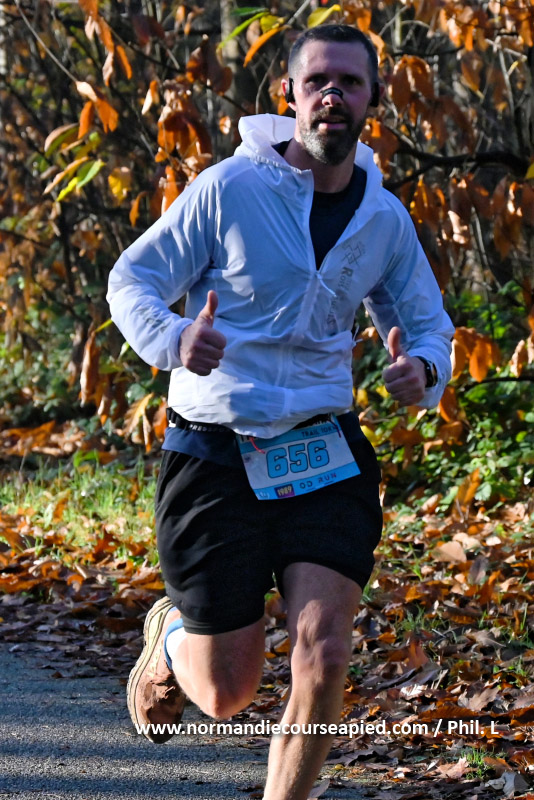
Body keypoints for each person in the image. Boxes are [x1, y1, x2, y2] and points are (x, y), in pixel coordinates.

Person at [107, 24, 454, 800]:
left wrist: (423, 368)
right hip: (214, 447)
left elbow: (429, 324)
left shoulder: (384, 217)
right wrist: (173, 339)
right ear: (289, 94)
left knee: (324, 655)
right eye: (318, 80)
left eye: (350, 82)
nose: (333, 94)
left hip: (324, 446)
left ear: (372, 99)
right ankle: (171, 633)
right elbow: (131, 279)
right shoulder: (229, 189)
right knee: (227, 692)